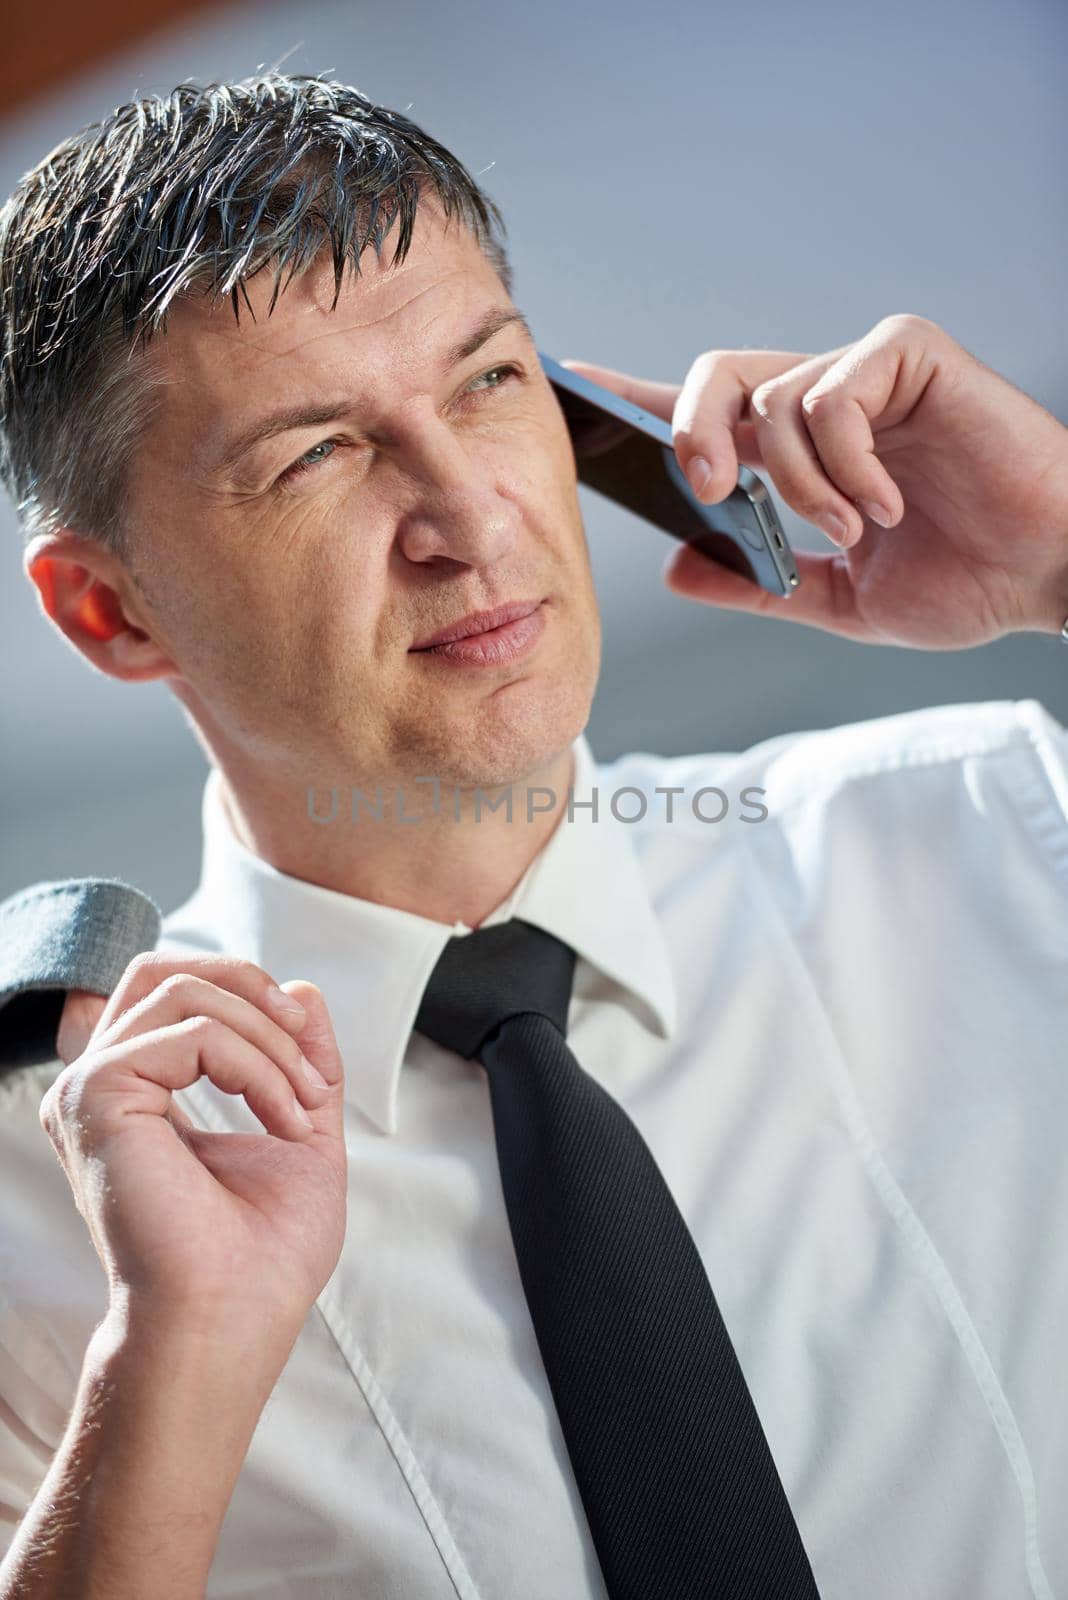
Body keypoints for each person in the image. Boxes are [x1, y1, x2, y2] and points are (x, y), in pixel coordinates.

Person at [0, 69, 1066, 1600]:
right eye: (318, 455)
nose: (472, 516)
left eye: (491, 382)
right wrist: (171, 1368)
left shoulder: (993, 831)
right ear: (111, 610)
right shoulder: (34, 1213)